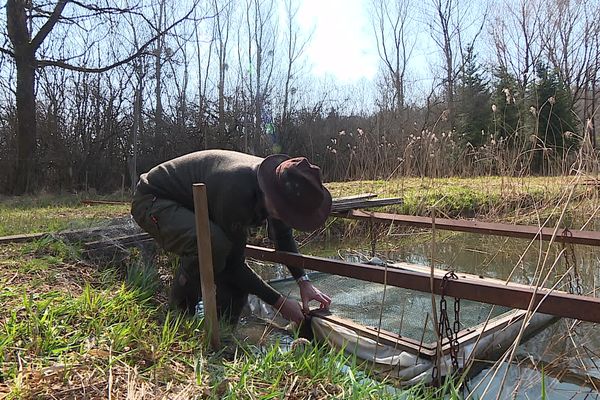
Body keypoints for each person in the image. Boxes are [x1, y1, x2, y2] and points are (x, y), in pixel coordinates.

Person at [131, 149, 332, 326]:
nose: (287, 217)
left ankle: (225, 333)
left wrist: (303, 281)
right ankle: (179, 317)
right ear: (272, 194)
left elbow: (283, 235)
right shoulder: (237, 190)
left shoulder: (281, 187)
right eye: (286, 212)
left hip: (200, 203)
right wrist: (279, 303)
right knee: (214, 246)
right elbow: (233, 265)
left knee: (237, 284)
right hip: (154, 201)